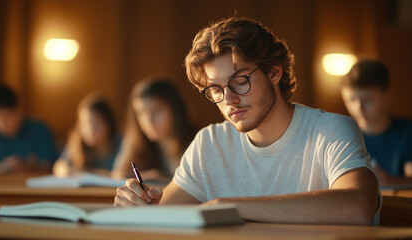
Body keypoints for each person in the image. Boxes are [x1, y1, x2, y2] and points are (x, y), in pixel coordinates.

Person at [115, 17, 380, 225]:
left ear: (274, 72)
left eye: (239, 81)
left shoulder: (330, 130)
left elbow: (359, 206)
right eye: (216, 89)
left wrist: (230, 207)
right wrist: (137, 205)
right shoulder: (210, 142)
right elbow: (162, 216)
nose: (228, 99)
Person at [341, 59, 412, 186]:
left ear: (387, 96)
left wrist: (389, 181)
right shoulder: (341, 137)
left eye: (368, 100)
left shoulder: (407, 133)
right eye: (351, 100)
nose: (359, 108)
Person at [112, 78, 197, 180]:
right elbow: (117, 175)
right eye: (141, 112)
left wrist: (164, 179)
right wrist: (145, 177)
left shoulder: (197, 143)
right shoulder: (135, 142)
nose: (149, 120)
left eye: (157, 110)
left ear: (176, 110)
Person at [0, 82, 57, 174]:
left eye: (6, 120)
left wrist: (27, 167)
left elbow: (52, 166)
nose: (0, 127)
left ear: (19, 111)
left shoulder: (39, 130)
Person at [53, 93, 122, 177]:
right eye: (84, 124)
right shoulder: (76, 141)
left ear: (109, 123)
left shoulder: (121, 143)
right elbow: (59, 166)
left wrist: (83, 171)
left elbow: (120, 174)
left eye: (96, 124)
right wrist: (65, 170)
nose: (91, 131)